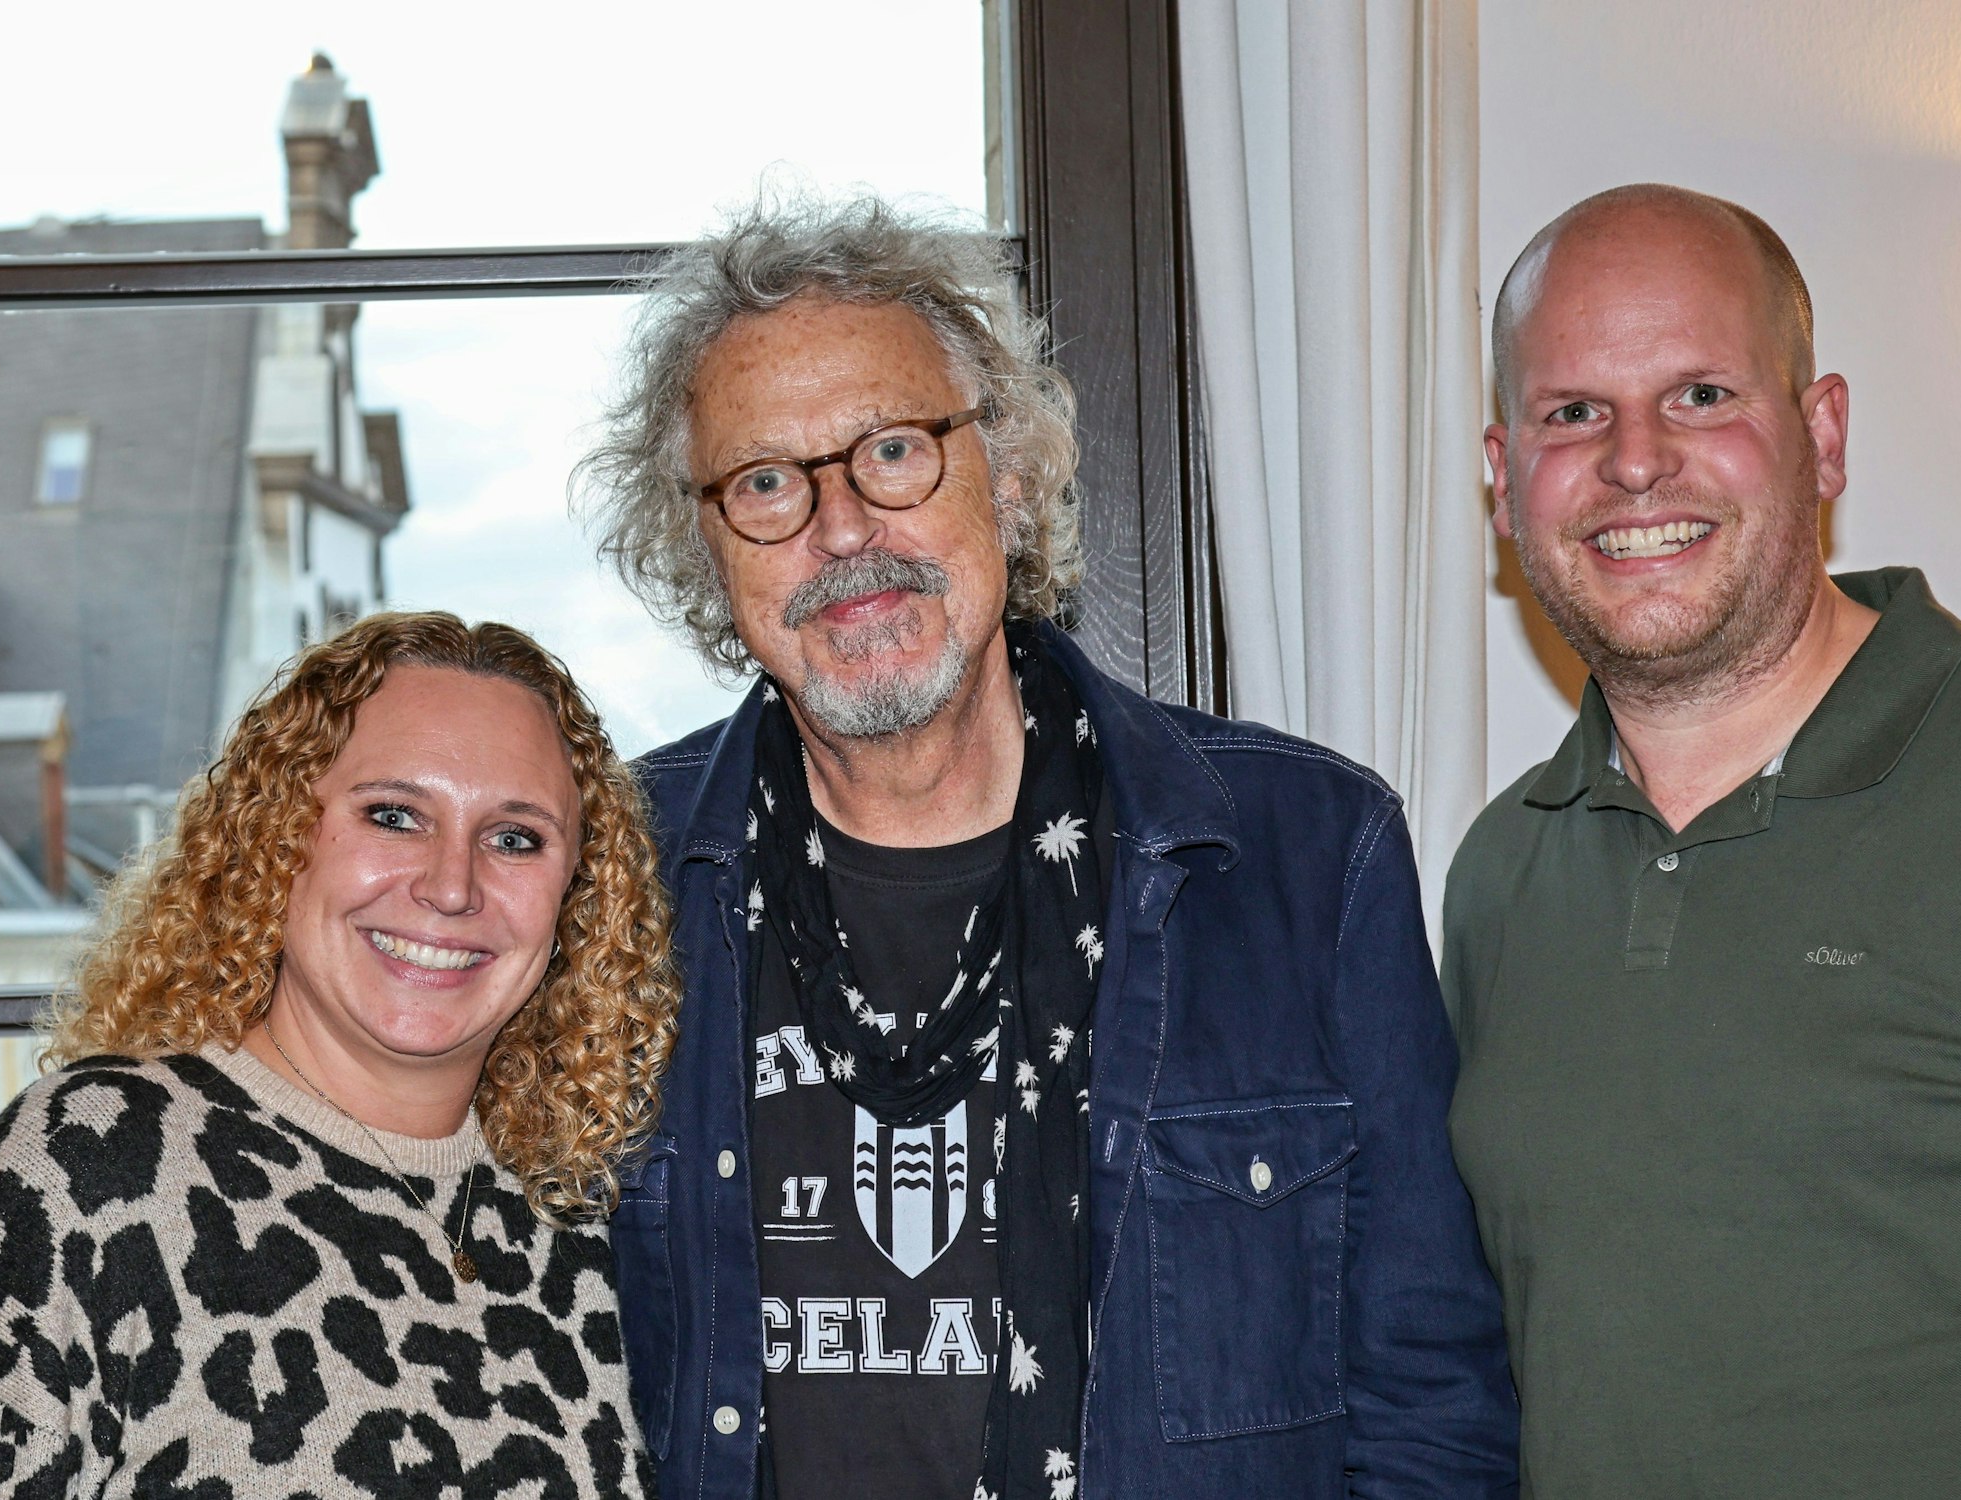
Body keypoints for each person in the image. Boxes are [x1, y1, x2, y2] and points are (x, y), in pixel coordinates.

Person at [579, 196, 1517, 1500]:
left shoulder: (1304, 857)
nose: (843, 530)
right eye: (766, 484)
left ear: (1009, 479)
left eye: (895, 450)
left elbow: (1431, 1402)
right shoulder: (606, 879)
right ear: (707, 548)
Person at [1445, 182, 1961, 1497]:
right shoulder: (1501, 874)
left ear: (1823, 433)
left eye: (1701, 395)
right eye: (1575, 412)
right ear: (1506, 480)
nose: (1636, 460)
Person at [0, 612, 680, 1495]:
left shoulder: (579, 1222)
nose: (451, 886)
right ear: (280, 837)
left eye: (515, 838)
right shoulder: (101, 1162)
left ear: (579, 894)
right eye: (394, 816)